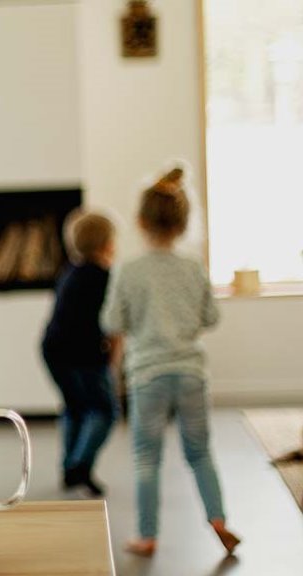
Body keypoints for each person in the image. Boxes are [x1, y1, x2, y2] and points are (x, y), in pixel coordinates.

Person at [101, 168, 241, 557]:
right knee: (200, 452)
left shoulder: (129, 270)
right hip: (192, 373)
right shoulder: (193, 267)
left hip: (148, 375)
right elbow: (211, 317)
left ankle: (147, 536)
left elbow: (112, 321)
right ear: (183, 222)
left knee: (147, 457)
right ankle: (219, 520)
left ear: (141, 221)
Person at [41, 209, 119, 497]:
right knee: (104, 410)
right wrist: (113, 355)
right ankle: (80, 465)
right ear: (107, 244)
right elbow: (112, 322)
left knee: (74, 407)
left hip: (53, 349)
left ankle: (69, 468)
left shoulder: (70, 271)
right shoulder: (104, 276)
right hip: (83, 354)